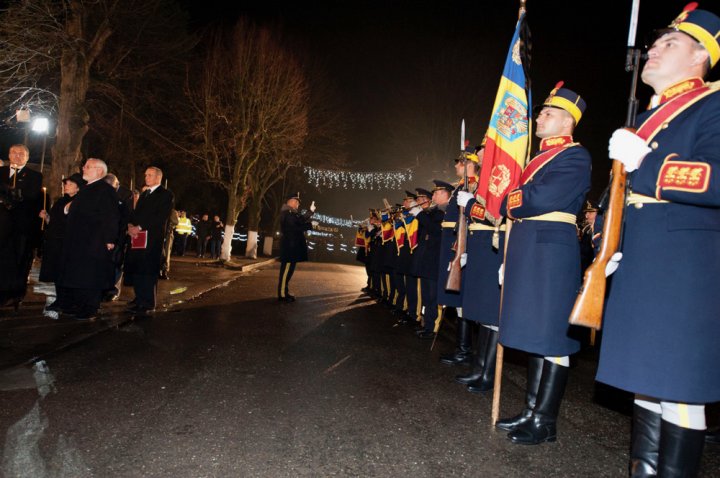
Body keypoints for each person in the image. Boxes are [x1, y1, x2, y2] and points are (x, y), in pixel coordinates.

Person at [596, 5, 720, 476]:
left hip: (683, 263)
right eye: (654, 43)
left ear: (699, 58)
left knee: (678, 386)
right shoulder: (651, 116)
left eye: (669, 43)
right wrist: (607, 247)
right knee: (645, 380)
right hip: (644, 258)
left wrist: (646, 163)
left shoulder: (712, 104)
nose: (653, 49)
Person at [495, 82, 591, 445]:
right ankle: (531, 410)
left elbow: (539, 197)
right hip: (529, 248)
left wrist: (508, 201)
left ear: (567, 121)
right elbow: (524, 199)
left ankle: (545, 420)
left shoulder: (575, 156)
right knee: (536, 335)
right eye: (542, 112)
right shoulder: (537, 159)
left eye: (548, 113)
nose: (540, 117)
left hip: (551, 251)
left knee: (552, 337)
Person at [454, 143, 507, 394]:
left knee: (491, 315)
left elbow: (498, 214)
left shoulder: (502, 175)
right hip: (480, 246)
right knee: (482, 316)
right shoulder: (485, 178)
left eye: (485, 151)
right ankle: (479, 367)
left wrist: (472, 202)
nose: (481, 156)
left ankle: (487, 374)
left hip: (493, 246)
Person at [56, 159, 120, 319]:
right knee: (78, 274)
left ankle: (89, 307)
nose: (83, 168)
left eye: (87, 167)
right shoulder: (86, 188)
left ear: (99, 171)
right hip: (78, 240)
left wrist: (109, 239)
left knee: (91, 274)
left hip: (94, 240)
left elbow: (111, 216)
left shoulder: (105, 190)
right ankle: (77, 304)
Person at [438, 147, 479, 366]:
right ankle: (462, 348)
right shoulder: (461, 186)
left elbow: (469, 222)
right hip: (456, 245)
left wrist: (465, 250)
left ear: (468, 164)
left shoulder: (473, 184)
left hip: (465, 245)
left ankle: (466, 350)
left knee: (465, 302)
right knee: (460, 301)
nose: (455, 166)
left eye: (459, 162)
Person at [124, 166, 175, 315]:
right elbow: (136, 213)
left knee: (148, 270)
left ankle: (147, 302)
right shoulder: (145, 194)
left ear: (158, 177)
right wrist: (130, 225)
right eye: (145, 175)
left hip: (151, 239)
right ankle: (139, 298)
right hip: (137, 237)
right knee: (138, 268)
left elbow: (159, 217)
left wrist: (139, 227)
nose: (146, 177)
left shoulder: (165, 194)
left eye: (150, 175)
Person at [0, 144, 43, 309]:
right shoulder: (1, 172)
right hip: (2, 226)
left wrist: (7, 195)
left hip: (21, 228)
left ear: (27, 157)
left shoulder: (34, 176)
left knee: (18, 261)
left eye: (21, 154)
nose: (17, 156)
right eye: (14, 153)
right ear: (9, 155)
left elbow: (29, 196)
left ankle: (15, 295)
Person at [38, 173, 86, 312]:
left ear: (78, 188)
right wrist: (46, 217)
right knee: (57, 273)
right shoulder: (61, 201)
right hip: (55, 242)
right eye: (66, 184)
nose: (66, 186)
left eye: (70, 184)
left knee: (67, 273)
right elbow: (54, 222)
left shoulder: (79, 201)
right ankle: (60, 300)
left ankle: (69, 302)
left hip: (68, 243)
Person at [410, 184, 450, 339]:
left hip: (436, 258)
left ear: (444, 195)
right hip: (427, 258)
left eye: (436, 194)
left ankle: (432, 327)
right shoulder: (434, 210)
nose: (433, 197)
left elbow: (435, 229)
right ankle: (427, 325)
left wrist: (420, 215)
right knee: (427, 294)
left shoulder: (446, 210)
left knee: (433, 295)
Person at [277, 192, 316, 302]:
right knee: (286, 272)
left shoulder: (291, 213)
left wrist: (310, 217)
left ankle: (285, 292)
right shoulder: (287, 212)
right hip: (289, 247)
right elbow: (297, 225)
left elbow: (299, 222)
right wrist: (310, 213)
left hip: (292, 247)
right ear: (292, 201)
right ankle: (282, 295)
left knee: (289, 272)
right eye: (297, 202)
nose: (298, 205)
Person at [102, 173, 133, 301]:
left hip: (119, 233)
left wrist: (120, 234)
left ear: (116, 184)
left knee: (116, 262)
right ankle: (102, 287)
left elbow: (127, 216)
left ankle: (113, 290)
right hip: (105, 232)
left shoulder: (126, 195)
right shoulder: (103, 191)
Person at [578, 200, 602, 273]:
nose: (586, 215)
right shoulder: (587, 231)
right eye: (586, 213)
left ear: (599, 214)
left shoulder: (603, 230)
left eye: (590, 212)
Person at [160, 208, 178, 279]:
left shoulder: (172, 211)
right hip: (158, 233)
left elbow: (175, 222)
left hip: (168, 233)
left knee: (166, 253)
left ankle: (164, 271)